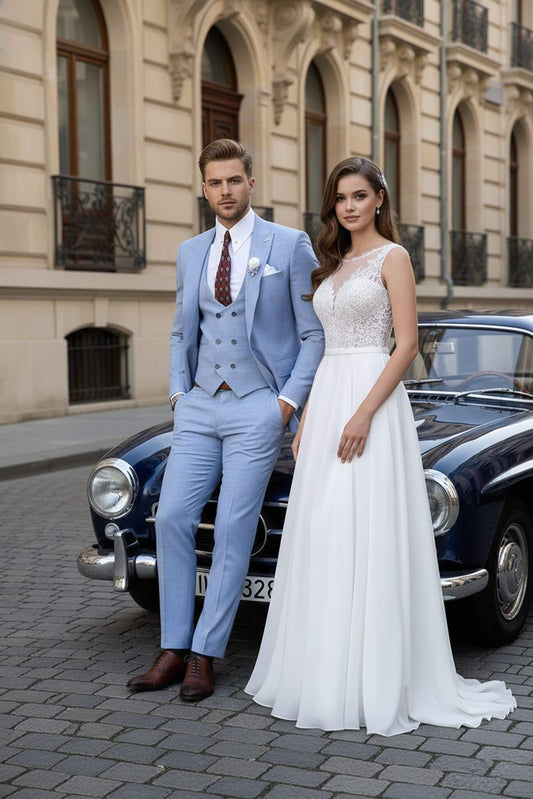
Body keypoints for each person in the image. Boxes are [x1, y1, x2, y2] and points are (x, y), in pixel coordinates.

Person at [245, 156, 516, 735]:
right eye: (341, 197)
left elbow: (407, 344)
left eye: (359, 195)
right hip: (328, 399)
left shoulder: (394, 258)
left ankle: (374, 676)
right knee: (323, 530)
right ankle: (322, 670)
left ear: (379, 201)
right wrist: (313, 406)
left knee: (365, 526)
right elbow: (319, 341)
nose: (349, 206)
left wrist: (364, 411)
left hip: (373, 398)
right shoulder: (333, 263)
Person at [127, 139, 324, 701]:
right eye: (214, 183)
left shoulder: (288, 245)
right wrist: (176, 393)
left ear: (251, 183)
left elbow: (313, 334)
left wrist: (285, 404)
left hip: (256, 407)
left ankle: (204, 656)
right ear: (204, 187)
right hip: (198, 406)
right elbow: (179, 330)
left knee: (236, 526)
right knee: (171, 519)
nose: (225, 192)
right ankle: (171, 646)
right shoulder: (192, 251)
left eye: (234, 180)